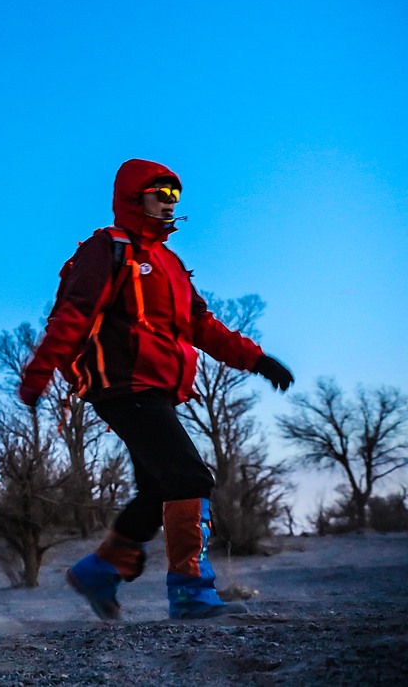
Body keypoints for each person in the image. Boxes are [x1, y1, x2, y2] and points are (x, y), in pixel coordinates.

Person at [18, 159, 295, 620]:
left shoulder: (169, 262)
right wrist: (39, 373)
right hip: (122, 384)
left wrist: (257, 360)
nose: (170, 203)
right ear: (134, 197)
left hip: (159, 387)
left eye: (175, 196)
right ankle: (190, 590)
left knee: (158, 489)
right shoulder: (107, 248)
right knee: (190, 477)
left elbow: (202, 325)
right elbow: (72, 313)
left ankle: (99, 572)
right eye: (160, 194)